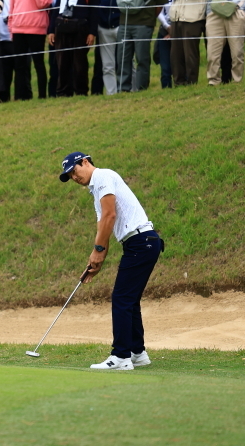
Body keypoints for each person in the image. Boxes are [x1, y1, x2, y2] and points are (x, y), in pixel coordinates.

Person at [58, 152, 163, 371]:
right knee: (129, 299)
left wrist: (98, 251)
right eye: (70, 176)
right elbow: (104, 227)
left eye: (74, 171)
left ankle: (121, 356)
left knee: (122, 298)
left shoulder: (103, 176)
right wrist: (97, 261)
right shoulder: (96, 188)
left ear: (85, 162)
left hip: (140, 242)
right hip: (141, 243)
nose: (74, 178)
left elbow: (110, 216)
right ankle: (137, 353)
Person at [48, 0, 97, 97]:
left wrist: (92, 32)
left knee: (79, 63)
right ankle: (63, 92)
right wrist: (51, 30)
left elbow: (94, 12)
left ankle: (81, 91)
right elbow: (56, 9)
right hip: (62, 27)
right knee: (62, 62)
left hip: (81, 28)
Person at [7, 0, 53, 100]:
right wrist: (11, 28)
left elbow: (43, 3)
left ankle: (42, 96)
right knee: (19, 65)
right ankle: (21, 97)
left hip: (36, 29)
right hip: (18, 29)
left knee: (38, 63)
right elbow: (12, 8)